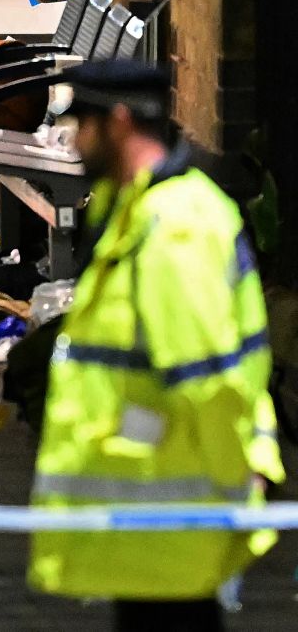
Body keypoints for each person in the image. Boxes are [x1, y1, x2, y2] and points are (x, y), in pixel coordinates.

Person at [27, 60, 285, 631]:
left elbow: (207, 378)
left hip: (172, 508)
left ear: (118, 123)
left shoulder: (174, 229)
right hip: (149, 508)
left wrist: (233, 500)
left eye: (82, 123)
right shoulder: (137, 207)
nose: (73, 137)